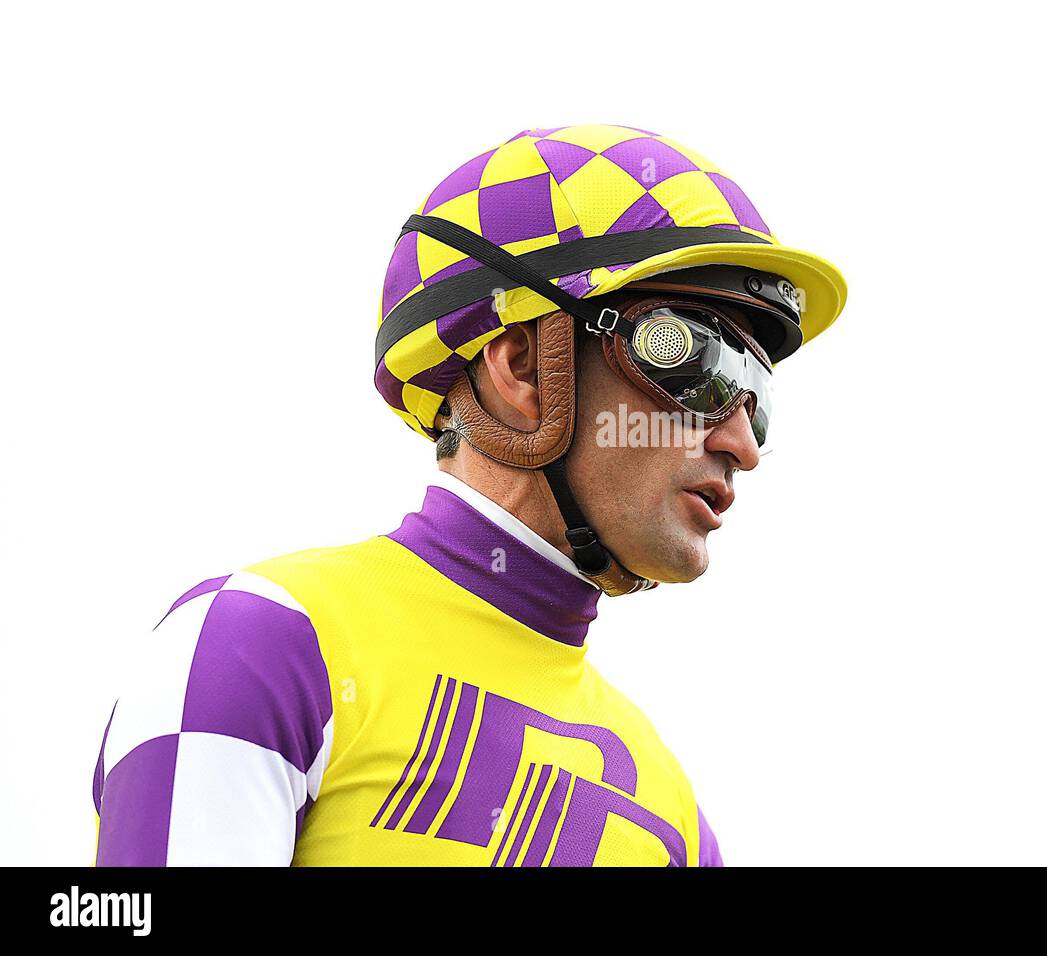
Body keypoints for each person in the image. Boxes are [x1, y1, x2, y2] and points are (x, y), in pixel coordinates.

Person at [91, 124, 848, 866]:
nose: (742, 444)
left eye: (758, 398)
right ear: (522, 367)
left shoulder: (676, 817)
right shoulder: (259, 643)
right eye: (697, 358)